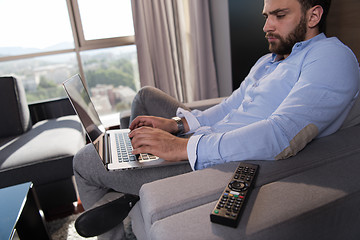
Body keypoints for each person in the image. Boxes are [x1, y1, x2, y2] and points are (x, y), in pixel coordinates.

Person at [73, 0, 359, 238]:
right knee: (145, 97)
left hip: (220, 159)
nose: (266, 26)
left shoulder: (331, 57)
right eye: (266, 16)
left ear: (314, 15)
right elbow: (228, 107)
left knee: (86, 160)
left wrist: (180, 148)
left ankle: (120, 221)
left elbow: (282, 136)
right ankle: (128, 182)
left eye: (279, 15)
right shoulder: (270, 60)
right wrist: (177, 126)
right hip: (206, 138)